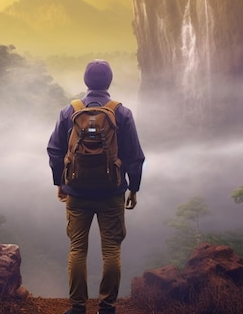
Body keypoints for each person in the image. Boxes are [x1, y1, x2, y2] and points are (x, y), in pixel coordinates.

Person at [47, 59, 145, 314]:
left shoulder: (70, 111)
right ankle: (107, 307)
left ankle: (78, 307)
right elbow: (134, 156)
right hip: (112, 192)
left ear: (85, 81)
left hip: (77, 192)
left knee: (77, 249)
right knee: (111, 250)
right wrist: (133, 188)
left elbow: (55, 150)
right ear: (109, 81)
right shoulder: (121, 113)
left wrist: (60, 182)